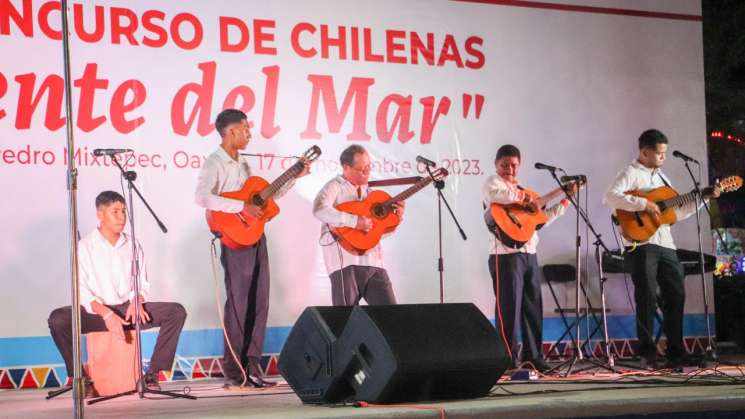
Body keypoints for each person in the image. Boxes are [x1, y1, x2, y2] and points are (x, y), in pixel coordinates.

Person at [195, 108, 309, 387]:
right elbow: (202, 197)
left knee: (260, 301)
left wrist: (295, 175)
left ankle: (253, 366)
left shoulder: (244, 164)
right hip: (235, 238)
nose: (249, 133)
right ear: (231, 130)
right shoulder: (215, 163)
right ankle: (235, 371)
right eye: (245, 128)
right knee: (239, 303)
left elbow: (264, 197)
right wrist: (239, 207)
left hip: (256, 236)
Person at [48, 191, 187, 393]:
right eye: (115, 212)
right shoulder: (84, 247)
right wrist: (106, 313)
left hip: (127, 311)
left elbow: (141, 281)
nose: (122, 217)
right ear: (100, 214)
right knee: (57, 319)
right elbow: (82, 290)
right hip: (96, 313)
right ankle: (80, 377)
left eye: (123, 211)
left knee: (176, 312)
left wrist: (137, 301)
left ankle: (152, 375)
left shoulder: (133, 244)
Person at [603, 129, 720, 369]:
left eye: (665, 153)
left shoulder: (663, 179)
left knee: (676, 294)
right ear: (644, 152)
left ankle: (676, 351)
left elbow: (676, 213)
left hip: (665, 244)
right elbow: (610, 197)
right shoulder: (631, 172)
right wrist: (644, 203)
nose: (662, 158)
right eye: (658, 154)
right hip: (642, 244)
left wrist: (704, 198)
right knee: (645, 297)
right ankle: (646, 353)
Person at [483, 144, 577, 372]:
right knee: (508, 310)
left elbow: (540, 220)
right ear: (496, 165)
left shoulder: (527, 192)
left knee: (533, 307)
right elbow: (498, 195)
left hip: (529, 254)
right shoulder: (492, 183)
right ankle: (508, 360)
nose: (509, 169)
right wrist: (525, 198)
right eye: (504, 165)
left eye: (513, 165)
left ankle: (533, 356)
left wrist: (563, 201)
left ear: (519, 166)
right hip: (505, 255)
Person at [312, 145, 403, 306]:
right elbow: (319, 209)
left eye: (369, 167)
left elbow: (378, 231)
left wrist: (397, 218)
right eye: (362, 169)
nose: (367, 172)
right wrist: (354, 222)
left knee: (391, 317)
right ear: (346, 168)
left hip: (374, 262)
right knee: (345, 321)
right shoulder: (335, 186)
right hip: (345, 263)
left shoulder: (372, 194)